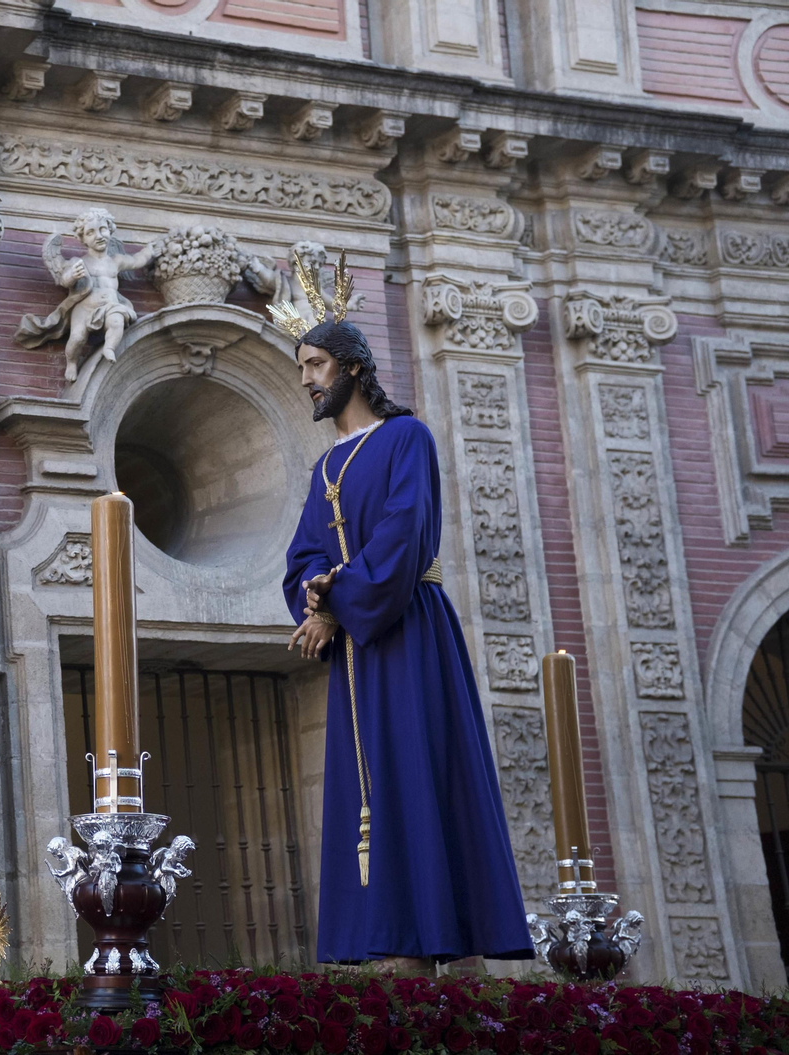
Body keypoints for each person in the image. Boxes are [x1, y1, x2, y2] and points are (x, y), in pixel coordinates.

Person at [280, 275, 533, 973]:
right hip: (358, 647)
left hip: (407, 633)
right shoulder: (323, 465)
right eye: (301, 367)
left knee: (421, 771)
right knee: (369, 787)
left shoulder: (406, 438)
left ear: (353, 366)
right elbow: (302, 554)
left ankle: (442, 937)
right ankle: (385, 938)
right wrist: (318, 601)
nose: (306, 379)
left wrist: (338, 605)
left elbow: (404, 536)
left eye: (315, 365)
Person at [16, 207, 158, 382]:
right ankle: (72, 362)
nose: (98, 236)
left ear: (110, 230)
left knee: (116, 321)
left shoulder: (117, 261)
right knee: (77, 337)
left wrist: (150, 251)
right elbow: (64, 280)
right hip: (85, 308)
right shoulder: (80, 262)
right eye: (91, 232)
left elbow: (137, 260)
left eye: (103, 229)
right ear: (82, 238)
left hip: (111, 305)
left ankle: (110, 347)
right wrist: (73, 276)